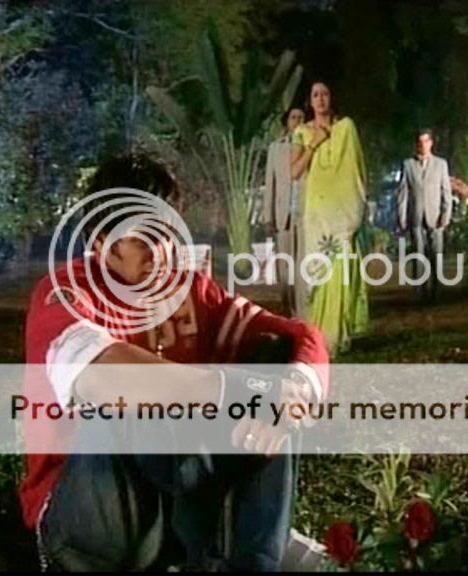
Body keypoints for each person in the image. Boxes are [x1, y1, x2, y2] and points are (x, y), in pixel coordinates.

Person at [19, 153, 329, 572]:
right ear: (101, 242)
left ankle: (253, 557)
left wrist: (288, 392)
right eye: (142, 238)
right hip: (87, 522)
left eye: (166, 232)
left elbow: (301, 336)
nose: (161, 251)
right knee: (126, 393)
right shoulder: (66, 293)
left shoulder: (190, 291)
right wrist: (233, 388)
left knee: (275, 361)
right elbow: (101, 376)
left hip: (178, 497)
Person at [290, 81, 369, 356]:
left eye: (325, 93)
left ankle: (339, 333)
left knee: (342, 270)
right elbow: (294, 172)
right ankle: (320, 335)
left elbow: (358, 172)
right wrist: (314, 144)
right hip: (318, 213)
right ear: (309, 101)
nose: (321, 99)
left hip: (343, 212)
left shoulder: (346, 128)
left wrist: (356, 208)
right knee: (321, 270)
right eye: (315, 95)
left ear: (332, 98)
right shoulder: (301, 132)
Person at [396, 128, 453, 302]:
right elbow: (403, 193)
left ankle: (436, 292)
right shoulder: (408, 165)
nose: (423, 145)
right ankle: (419, 293)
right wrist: (402, 218)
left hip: (435, 217)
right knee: (418, 255)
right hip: (416, 217)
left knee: (436, 255)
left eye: (426, 141)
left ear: (431, 143)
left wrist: (445, 215)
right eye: (420, 142)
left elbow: (446, 192)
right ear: (416, 145)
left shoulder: (441, 165)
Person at [262, 106, 306, 315]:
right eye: (293, 117)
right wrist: (268, 216)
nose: (297, 121)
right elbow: (270, 182)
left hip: (305, 215)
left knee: (303, 264)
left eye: (301, 117)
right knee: (285, 265)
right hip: (283, 215)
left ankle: (302, 310)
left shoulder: (311, 146)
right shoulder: (276, 148)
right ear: (287, 122)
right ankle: (288, 307)